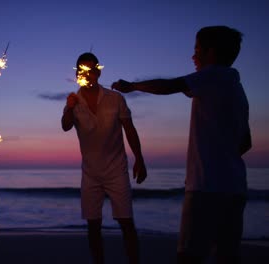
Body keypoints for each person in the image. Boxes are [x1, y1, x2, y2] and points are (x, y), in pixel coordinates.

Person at [112, 25, 251, 264]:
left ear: (211, 52)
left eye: (197, 49)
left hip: (206, 187)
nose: (193, 56)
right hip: (235, 188)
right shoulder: (236, 88)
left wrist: (133, 87)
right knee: (227, 256)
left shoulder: (213, 75)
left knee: (189, 256)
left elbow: (171, 86)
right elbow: (245, 143)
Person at [61, 52, 147, 264]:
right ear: (77, 73)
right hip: (90, 173)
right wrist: (70, 108)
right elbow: (65, 126)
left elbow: (129, 129)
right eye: (82, 70)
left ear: (98, 72)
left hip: (116, 169)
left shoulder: (115, 98)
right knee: (93, 225)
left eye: (91, 70)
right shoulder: (74, 100)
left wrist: (139, 158)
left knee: (126, 222)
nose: (87, 74)